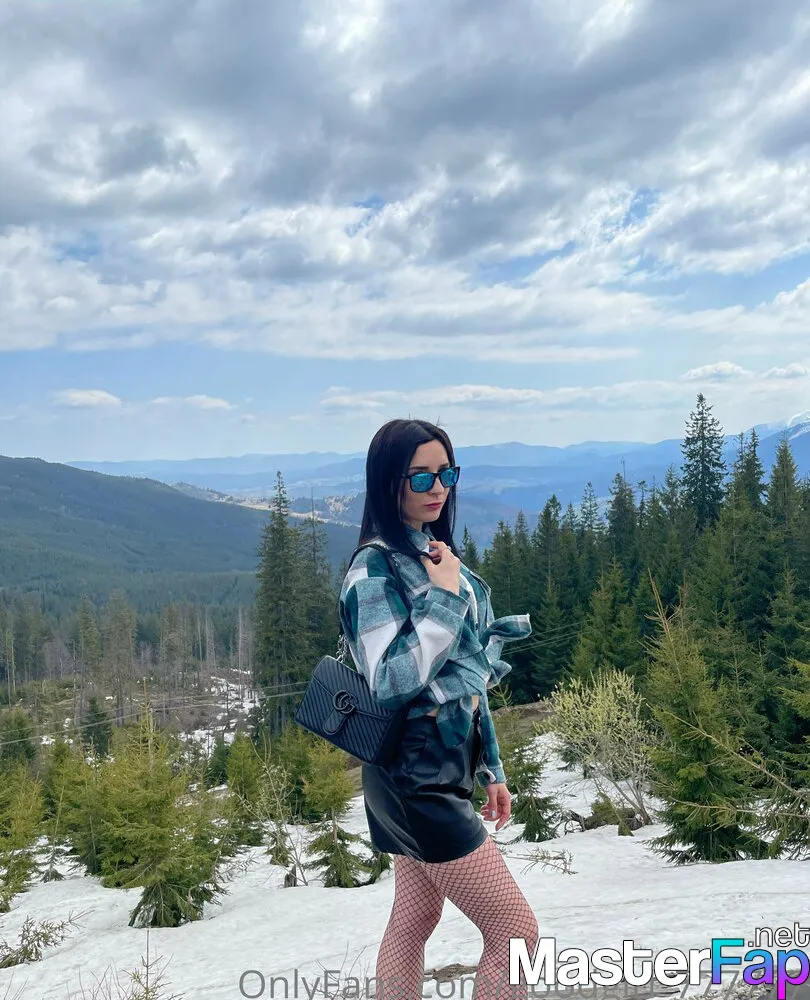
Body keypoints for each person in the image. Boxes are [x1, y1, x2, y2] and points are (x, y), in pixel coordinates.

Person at [338, 418, 540, 1000]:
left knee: (414, 917)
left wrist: (491, 766)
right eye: (421, 475)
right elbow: (391, 679)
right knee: (517, 931)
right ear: (387, 481)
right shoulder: (372, 571)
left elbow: (466, 675)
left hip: (438, 764)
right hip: (413, 772)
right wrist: (447, 595)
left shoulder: (431, 552)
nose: (438, 488)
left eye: (446, 473)